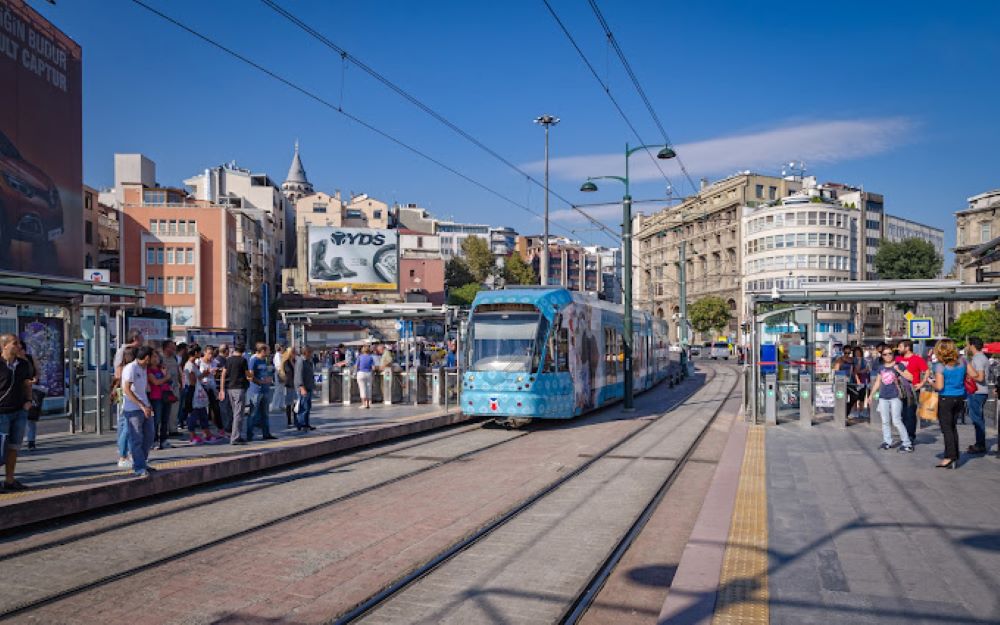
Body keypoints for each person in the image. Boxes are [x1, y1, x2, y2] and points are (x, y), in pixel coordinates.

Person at [931, 339, 972, 469]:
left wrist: (930, 382)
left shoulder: (940, 365)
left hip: (946, 399)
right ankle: (954, 455)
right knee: (953, 427)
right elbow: (975, 375)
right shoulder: (963, 361)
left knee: (946, 429)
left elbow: (939, 386)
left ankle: (950, 457)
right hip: (960, 397)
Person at [0, 334, 33, 491]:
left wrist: (28, 400)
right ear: (4, 346)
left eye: (19, 343)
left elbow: (27, 384)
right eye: (15, 343)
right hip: (2, 412)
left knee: (14, 447)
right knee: (0, 449)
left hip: (19, 410)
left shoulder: (22, 364)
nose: (19, 346)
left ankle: (10, 480)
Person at [865, 347, 913, 453]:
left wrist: (899, 370)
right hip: (883, 397)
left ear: (893, 354)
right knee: (885, 421)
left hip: (896, 396)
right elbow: (878, 381)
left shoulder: (899, 365)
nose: (888, 356)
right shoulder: (880, 367)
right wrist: (871, 395)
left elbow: (911, 377)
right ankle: (887, 441)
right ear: (882, 356)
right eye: (885, 354)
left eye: (890, 353)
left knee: (896, 420)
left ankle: (907, 444)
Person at [121, 346, 156, 477]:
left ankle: (143, 462)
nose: (155, 359)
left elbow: (142, 390)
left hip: (145, 406)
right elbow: (127, 389)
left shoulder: (144, 368)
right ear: (147, 357)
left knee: (149, 436)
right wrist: (141, 405)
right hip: (133, 409)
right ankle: (139, 467)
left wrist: (148, 404)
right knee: (136, 438)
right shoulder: (131, 368)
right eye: (153, 356)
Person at [895, 339, 929, 445]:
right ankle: (904, 435)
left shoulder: (917, 359)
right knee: (901, 413)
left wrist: (922, 383)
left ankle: (910, 435)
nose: (898, 349)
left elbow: (927, 371)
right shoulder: (898, 359)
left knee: (910, 413)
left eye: (900, 347)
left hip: (912, 390)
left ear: (907, 348)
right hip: (899, 390)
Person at [183, 348, 217, 444]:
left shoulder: (194, 364)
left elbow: (197, 378)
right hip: (192, 391)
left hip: (197, 390)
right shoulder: (189, 365)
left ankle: (207, 433)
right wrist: (201, 376)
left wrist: (204, 374)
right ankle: (192, 435)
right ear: (195, 353)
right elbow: (192, 380)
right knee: (193, 413)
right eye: (199, 352)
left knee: (202, 412)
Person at [220, 343, 252, 445]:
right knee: (239, 414)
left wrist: (222, 389)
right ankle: (235, 437)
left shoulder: (229, 360)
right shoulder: (243, 360)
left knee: (235, 413)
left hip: (230, 388)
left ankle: (235, 435)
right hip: (239, 388)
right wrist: (252, 374)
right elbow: (248, 375)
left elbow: (223, 374)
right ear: (243, 351)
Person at [964, 337, 989, 454]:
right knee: (978, 418)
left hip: (977, 392)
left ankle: (980, 445)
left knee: (977, 419)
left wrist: (969, 375)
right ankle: (979, 443)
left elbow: (980, 377)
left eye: (968, 345)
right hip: (980, 392)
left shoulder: (978, 358)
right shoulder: (981, 357)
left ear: (972, 345)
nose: (967, 347)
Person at [248, 343, 277, 441]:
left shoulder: (263, 360)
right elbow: (249, 376)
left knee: (265, 413)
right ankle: (249, 434)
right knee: (253, 413)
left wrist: (268, 379)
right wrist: (260, 381)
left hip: (265, 389)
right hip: (256, 390)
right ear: (263, 351)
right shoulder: (253, 360)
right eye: (268, 350)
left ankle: (266, 433)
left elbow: (264, 372)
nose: (269, 352)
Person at [146, 351, 172, 451]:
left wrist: (165, 375)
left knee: (165, 419)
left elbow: (169, 380)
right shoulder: (149, 371)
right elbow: (156, 382)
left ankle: (164, 440)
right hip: (156, 397)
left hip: (166, 395)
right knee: (156, 420)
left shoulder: (161, 368)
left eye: (157, 357)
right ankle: (154, 440)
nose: (156, 359)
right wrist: (166, 377)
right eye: (153, 357)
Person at [18, 340, 41, 451]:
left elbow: (37, 371)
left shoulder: (30, 358)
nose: (20, 351)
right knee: (18, 418)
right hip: (17, 393)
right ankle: (16, 442)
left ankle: (31, 442)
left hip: (31, 390)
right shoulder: (11, 361)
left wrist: (35, 379)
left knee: (31, 417)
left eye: (21, 349)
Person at [161, 340, 181, 436]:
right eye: (172, 347)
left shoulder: (174, 358)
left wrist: (180, 383)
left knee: (175, 409)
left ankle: (173, 429)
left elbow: (178, 371)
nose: (174, 349)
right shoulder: (160, 358)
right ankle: (163, 430)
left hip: (175, 386)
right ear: (166, 348)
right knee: (164, 410)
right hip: (164, 387)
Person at [294, 346, 316, 431]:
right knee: (303, 406)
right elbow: (299, 375)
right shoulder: (301, 361)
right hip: (303, 388)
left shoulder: (308, 361)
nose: (311, 354)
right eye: (310, 352)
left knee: (307, 406)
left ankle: (306, 423)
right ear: (306, 352)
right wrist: (301, 387)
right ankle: (301, 424)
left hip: (308, 387)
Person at [279, 347, 297, 427]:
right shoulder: (286, 362)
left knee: (296, 403)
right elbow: (288, 372)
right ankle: (289, 421)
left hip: (296, 384)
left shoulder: (295, 361)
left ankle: (296, 420)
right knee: (289, 403)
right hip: (289, 384)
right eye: (293, 352)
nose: (295, 353)